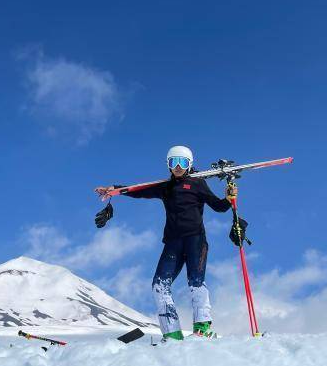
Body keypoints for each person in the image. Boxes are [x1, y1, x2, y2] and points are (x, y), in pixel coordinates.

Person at [94, 145, 246, 341]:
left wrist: (229, 198)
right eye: (174, 162)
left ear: (189, 164)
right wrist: (115, 190)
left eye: (182, 162)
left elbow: (218, 207)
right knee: (159, 286)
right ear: (168, 164)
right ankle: (172, 334)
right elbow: (141, 190)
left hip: (195, 240)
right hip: (173, 243)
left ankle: (202, 328)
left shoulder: (198, 184)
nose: (178, 167)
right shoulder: (165, 188)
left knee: (196, 283)